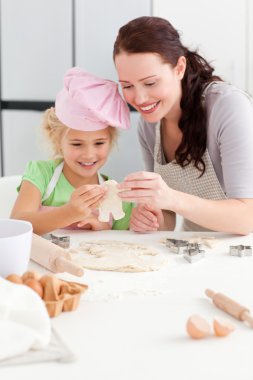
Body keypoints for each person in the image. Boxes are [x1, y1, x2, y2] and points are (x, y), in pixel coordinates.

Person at [113, 16, 253, 235]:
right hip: (195, 249)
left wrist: (172, 198)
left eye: (150, 83)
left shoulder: (227, 106)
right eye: (127, 85)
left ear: (179, 68)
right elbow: (168, 217)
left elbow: (247, 218)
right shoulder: (149, 125)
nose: (139, 99)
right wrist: (152, 217)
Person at [11, 67, 133, 235]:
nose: (89, 154)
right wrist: (68, 213)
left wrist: (103, 229)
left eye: (99, 143)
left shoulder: (118, 197)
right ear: (58, 142)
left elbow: (124, 245)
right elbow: (18, 224)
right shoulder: (42, 174)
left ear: (110, 142)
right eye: (77, 144)